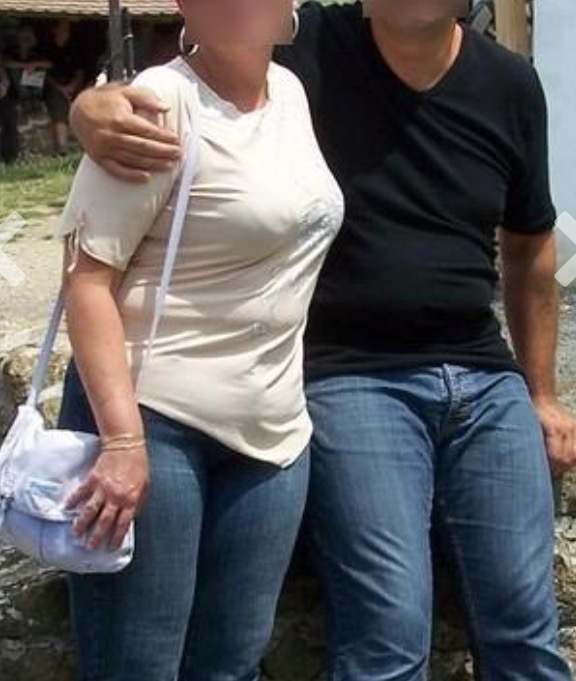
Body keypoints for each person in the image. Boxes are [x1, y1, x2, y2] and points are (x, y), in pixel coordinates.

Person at [70, 0, 576, 679]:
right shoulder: (309, 45)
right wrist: (89, 106)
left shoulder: (502, 84)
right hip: (338, 377)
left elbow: (532, 245)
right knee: (386, 632)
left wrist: (542, 391)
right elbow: (204, 57)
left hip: (442, 381)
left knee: (525, 625)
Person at [55, 0, 344, 679]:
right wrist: (121, 441)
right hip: (155, 422)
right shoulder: (159, 103)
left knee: (232, 664)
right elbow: (86, 280)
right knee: (139, 665)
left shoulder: (290, 92)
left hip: (274, 437)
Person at [0, 25, 51, 163]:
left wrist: (33, 64)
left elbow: (49, 63)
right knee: (17, 72)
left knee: (11, 118)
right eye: (23, 38)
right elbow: (7, 63)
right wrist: (24, 66)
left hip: (29, 89)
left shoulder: (38, 51)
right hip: (16, 91)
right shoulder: (12, 51)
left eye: (28, 38)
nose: (25, 41)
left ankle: (10, 157)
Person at [44, 21, 84, 156]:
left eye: (66, 30)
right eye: (62, 30)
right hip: (55, 86)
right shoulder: (47, 49)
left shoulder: (75, 49)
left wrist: (72, 86)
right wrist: (61, 88)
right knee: (58, 106)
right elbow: (45, 75)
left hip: (74, 84)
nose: (64, 33)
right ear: (55, 30)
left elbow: (80, 72)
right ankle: (63, 149)